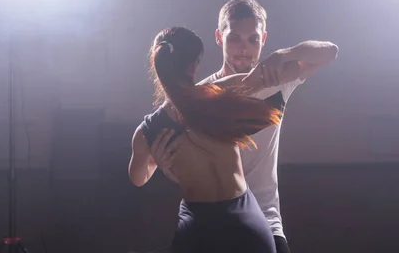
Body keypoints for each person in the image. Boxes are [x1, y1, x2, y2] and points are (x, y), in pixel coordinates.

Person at [128, 26, 304, 253]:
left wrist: (156, 162)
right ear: (194, 66)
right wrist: (282, 58)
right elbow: (300, 66)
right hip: (247, 225)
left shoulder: (146, 132)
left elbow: (138, 179)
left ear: (158, 64)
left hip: (199, 230)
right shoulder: (219, 93)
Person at [198, 0, 339, 253]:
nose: (244, 48)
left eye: (253, 39)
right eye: (235, 38)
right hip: (213, 222)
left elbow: (330, 51)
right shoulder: (201, 94)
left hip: (266, 219)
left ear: (263, 39)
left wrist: (285, 54)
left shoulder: (278, 79)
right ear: (219, 37)